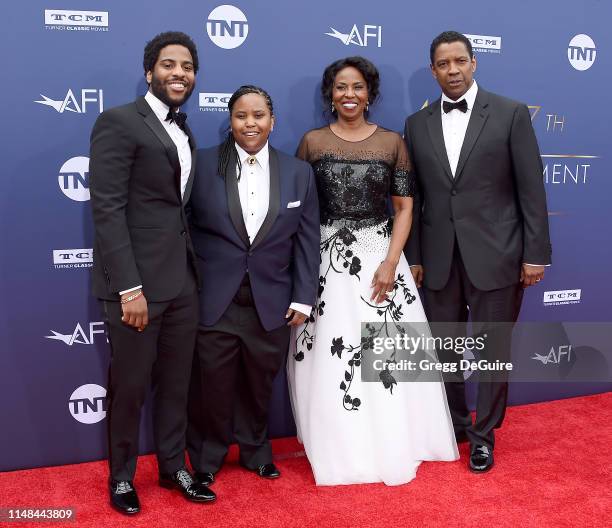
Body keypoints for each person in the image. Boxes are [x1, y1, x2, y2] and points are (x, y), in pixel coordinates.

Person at [287, 57, 458, 486]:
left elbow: (404, 208)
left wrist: (389, 262)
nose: (349, 94)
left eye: (358, 87)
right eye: (342, 87)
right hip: (326, 260)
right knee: (330, 355)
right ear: (331, 93)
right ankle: (339, 444)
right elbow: (302, 212)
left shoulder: (392, 143)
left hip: (380, 258)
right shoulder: (311, 143)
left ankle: (395, 439)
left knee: (389, 356)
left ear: (370, 93)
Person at [404, 31, 552, 473]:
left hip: (499, 254)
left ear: (474, 63)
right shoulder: (417, 124)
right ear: (433, 70)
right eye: (443, 64)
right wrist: (414, 256)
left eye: (460, 61)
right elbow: (415, 198)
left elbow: (531, 189)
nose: (452, 70)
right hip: (439, 258)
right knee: (444, 349)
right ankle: (454, 425)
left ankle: (484, 435)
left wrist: (535, 253)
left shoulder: (509, 114)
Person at [89, 31, 215, 515]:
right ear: (149, 72)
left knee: (178, 384)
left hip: (183, 281)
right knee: (131, 386)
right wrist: (129, 288)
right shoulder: (119, 122)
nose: (178, 73)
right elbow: (108, 211)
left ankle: (171, 466)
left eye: (186, 66)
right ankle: (120, 477)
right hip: (137, 288)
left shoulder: (184, 130)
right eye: (168, 64)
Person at [187, 85, 320, 486]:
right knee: (212, 384)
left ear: (272, 121)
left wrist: (303, 297)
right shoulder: (202, 164)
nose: (250, 123)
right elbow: (182, 231)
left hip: (273, 299)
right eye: (242, 116)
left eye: (258, 115)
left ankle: (255, 451)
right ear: (230, 122)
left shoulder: (298, 173)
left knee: (261, 384)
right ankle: (207, 456)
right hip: (215, 299)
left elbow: (307, 240)